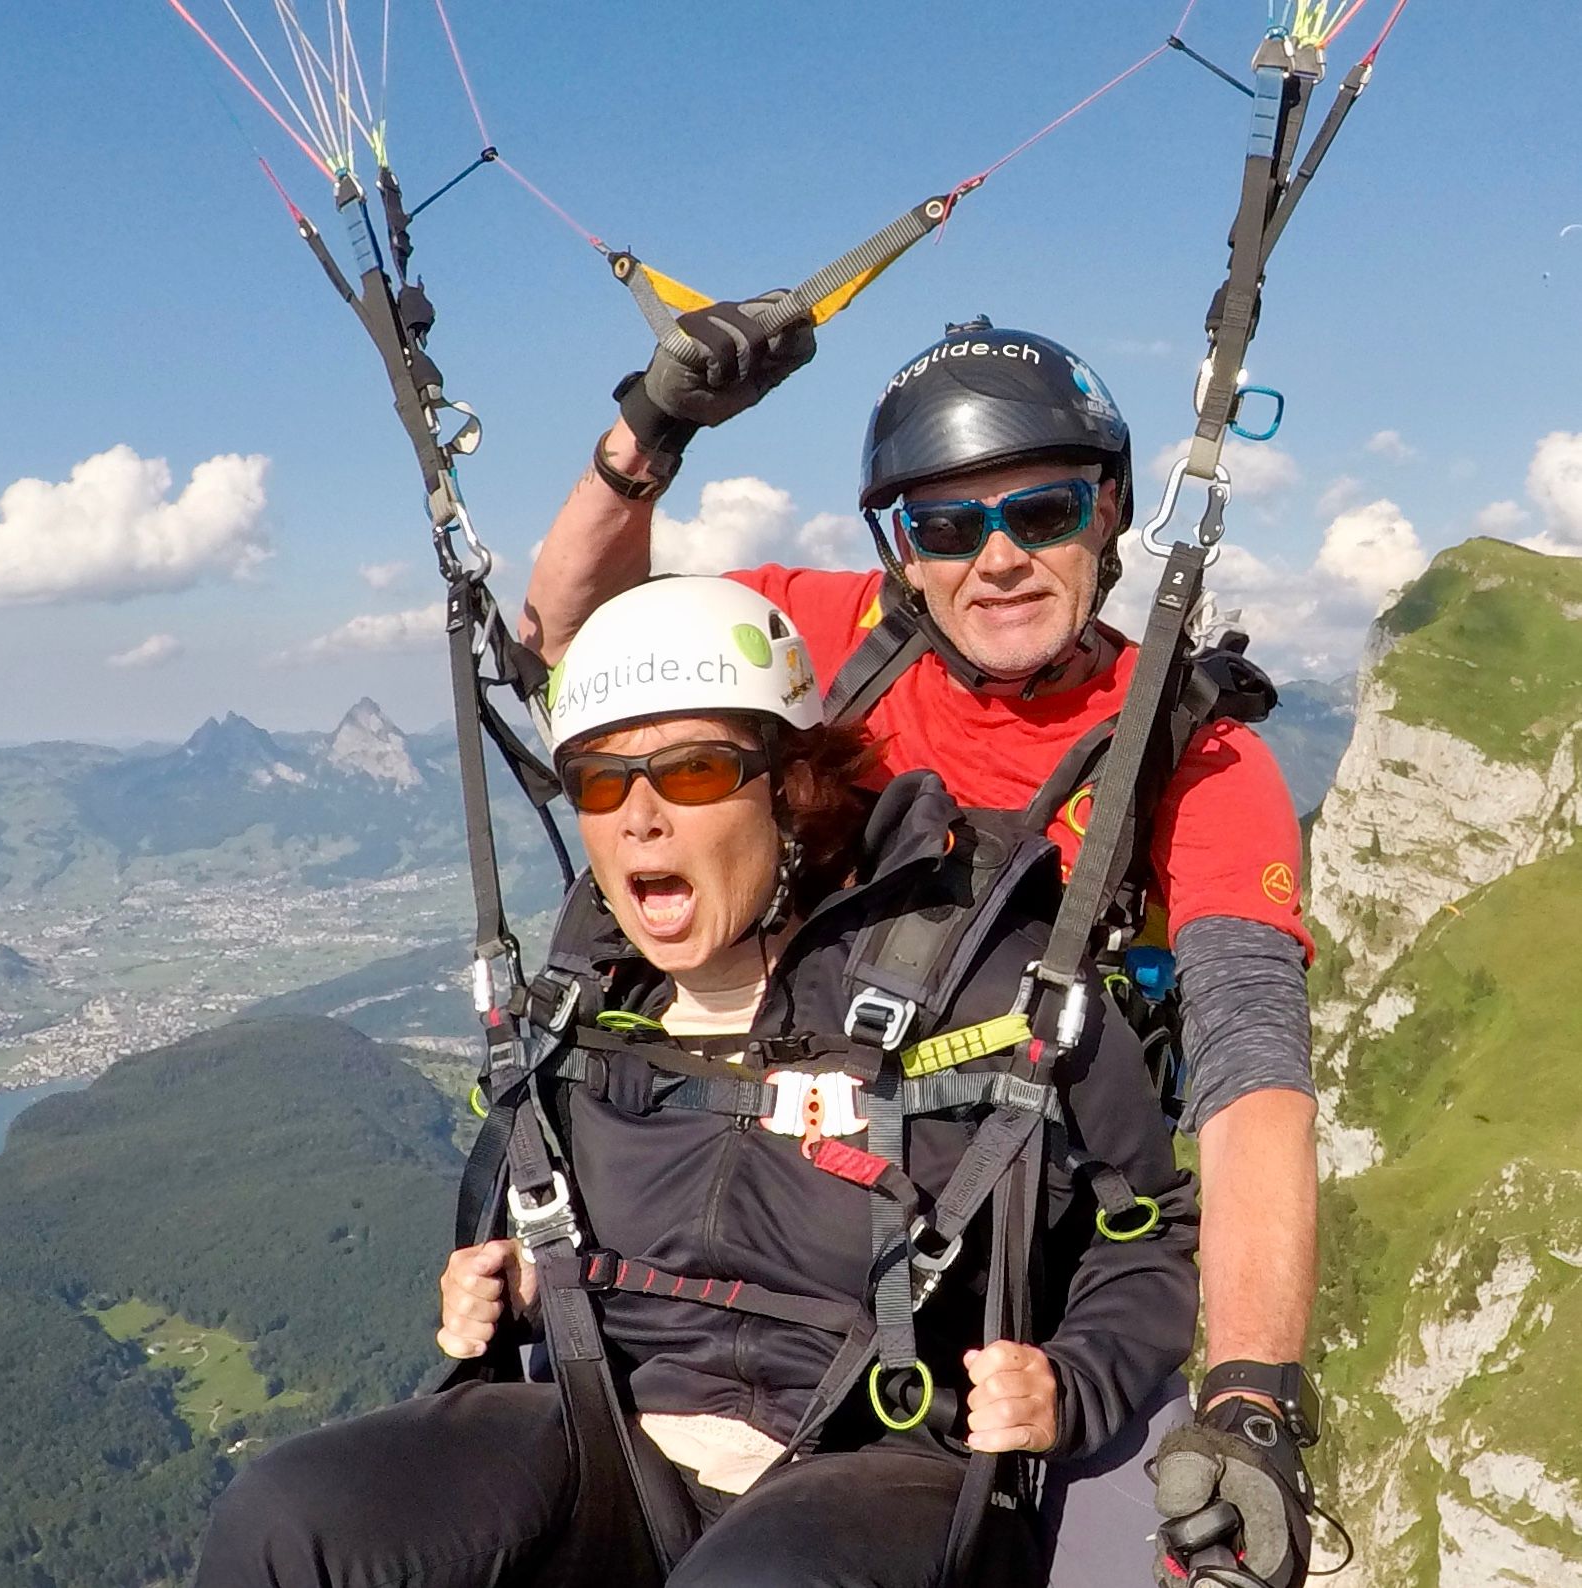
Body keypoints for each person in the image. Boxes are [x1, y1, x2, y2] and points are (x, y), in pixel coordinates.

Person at [520, 307, 1322, 1588]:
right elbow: (571, 643)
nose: (994, 558)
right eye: (946, 527)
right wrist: (649, 429)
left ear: (1109, 512)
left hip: (1034, 1257)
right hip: (787, 1234)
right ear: (900, 548)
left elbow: (1250, 1069)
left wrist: (1252, 1397)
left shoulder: (1198, 758)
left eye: (1040, 513)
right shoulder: (829, 642)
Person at [196, 576, 1198, 1588]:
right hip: (610, 1438)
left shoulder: (981, 976)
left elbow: (1150, 1228)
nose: (638, 820)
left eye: (693, 771)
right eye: (598, 780)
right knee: (284, 1520)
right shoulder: (587, 986)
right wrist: (517, 1284)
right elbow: (594, 1220)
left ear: (791, 784)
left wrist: (1071, 1386)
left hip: (875, 1462)